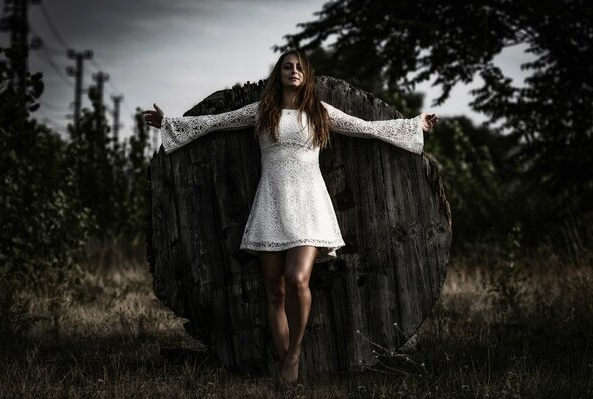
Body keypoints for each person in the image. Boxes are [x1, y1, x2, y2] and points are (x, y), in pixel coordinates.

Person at [143, 50, 438, 384]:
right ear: (279, 73)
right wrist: (168, 123)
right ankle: (287, 369)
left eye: (299, 67)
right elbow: (215, 122)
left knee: (298, 279)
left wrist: (415, 126)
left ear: (306, 75)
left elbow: (365, 128)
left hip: (309, 206)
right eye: (287, 66)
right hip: (270, 203)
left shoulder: (319, 112)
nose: (294, 71)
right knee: (275, 291)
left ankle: (295, 353)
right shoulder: (262, 112)